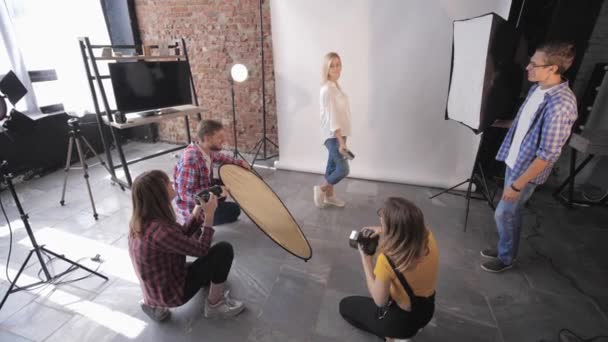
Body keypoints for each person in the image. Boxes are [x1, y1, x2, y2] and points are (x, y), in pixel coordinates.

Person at [480, 41, 577, 273]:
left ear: (553, 68)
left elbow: (548, 155)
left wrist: (517, 185)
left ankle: (506, 258)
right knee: (509, 214)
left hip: (526, 171)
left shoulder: (561, 105)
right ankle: (506, 247)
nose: (527, 67)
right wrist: (504, 124)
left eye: (534, 64)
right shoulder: (538, 89)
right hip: (515, 161)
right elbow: (528, 123)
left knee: (505, 213)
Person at [128, 170, 245, 322]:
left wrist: (198, 208)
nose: (172, 183)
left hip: (156, 288)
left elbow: (181, 235)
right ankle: (215, 305)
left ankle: (153, 305)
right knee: (223, 250)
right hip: (172, 293)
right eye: (167, 183)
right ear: (159, 194)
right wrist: (209, 216)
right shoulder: (161, 230)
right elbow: (202, 250)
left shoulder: (144, 222)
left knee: (207, 273)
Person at [339, 197, 438, 340]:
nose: (380, 219)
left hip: (401, 322)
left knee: (345, 306)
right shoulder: (428, 236)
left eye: (382, 220)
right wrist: (383, 230)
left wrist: (366, 259)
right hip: (426, 311)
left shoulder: (387, 260)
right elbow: (409, 230)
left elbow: (380, 301)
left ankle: (392, 336)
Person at [174, 119, 250, 224]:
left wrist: (239, 162)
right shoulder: (191, 160)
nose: (223, 140)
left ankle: (216, 200)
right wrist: (215, 191)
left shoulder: (204, 149)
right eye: (219, 137)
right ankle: (201, 221)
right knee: (235, 210)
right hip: (194, 209)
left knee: (228, 181)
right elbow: (185, 194)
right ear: (207, 138)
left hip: (203, 191)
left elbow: (220, 157)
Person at [314, 52, 352, 209]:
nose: (336, 68)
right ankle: (321, 189)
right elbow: (332, 116)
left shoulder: (335, 86)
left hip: (339, 133)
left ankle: (329, 196)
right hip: (333, 135)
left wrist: (342, 136)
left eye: (338, 64)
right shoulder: (328, 90)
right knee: (343, 169)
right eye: (332, 66)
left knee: (331, 167)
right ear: (326, 69)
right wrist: (340, 140)